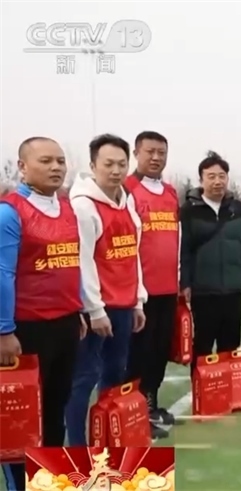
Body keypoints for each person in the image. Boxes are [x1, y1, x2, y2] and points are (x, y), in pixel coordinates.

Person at [0, 137, 85, 491]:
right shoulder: (10, 212)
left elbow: (72, 264)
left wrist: (78, 309)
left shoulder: (66, 208)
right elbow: (3, 272)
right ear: (23, 167)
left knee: (55, 410)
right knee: (22, 419)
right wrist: (4, 331)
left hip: (65, 325)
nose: (56, 167)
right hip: (26, 329)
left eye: (60, 161)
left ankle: (47, 481)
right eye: (46, 161)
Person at [66, 134, 147, 446]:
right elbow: (82, 261)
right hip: (97, 309)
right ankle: (77, 447)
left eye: (121, 164)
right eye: (108, 164)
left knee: (114, 375)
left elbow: (132, 254)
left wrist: (138, 301)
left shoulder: (127, 201)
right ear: (93, 165)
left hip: (124, 305)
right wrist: (94, 309)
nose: (116, 170)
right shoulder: (83, 206)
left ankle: (107, 442)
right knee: (84, 378)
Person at [179, 151, 241, 363]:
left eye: (221, 176)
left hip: (233, 290)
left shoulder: (239, 210)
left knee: (230, 345)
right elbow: (183, 249)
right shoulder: (189, 211)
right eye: (211, 176)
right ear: (201, 180)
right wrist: (185, 283)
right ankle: (201, 385)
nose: (217, 181)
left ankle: (227, 385)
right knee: (202, 345)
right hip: (202, 291)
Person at [123, 131, 178, 439]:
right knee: (138, 355)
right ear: (136, 153)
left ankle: (152, 404)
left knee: (159, 351)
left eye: (161, 152)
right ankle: (134, 413)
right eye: (150, 152)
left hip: (168, 288)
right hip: (140, 292)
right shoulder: (126, 189)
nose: (156, 158)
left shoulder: (171, 193)